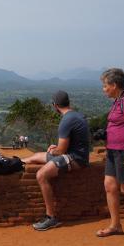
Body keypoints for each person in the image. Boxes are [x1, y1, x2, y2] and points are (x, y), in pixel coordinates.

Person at [21, 90, 90, 231]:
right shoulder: (76, 114)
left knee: (41, 175)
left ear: (55, 105)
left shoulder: (66, 120)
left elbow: (61, 151)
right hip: (74, 154)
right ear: (68, 102)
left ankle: (51, 217)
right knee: (35, 157)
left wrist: (54, 150)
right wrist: (56, 148)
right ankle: (15, 162)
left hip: (76, 159)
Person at [95, 68, 124, 238]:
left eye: (105, 85)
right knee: (110, 187)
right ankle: (115, 225)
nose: (104, 89)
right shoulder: (118, 100)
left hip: (123, 152)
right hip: (112, 151)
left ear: (114, 85)